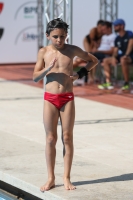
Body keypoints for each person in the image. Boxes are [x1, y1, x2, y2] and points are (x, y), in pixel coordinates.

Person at [33, 18, 98, 191]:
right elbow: (35, 77)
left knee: (67, 137)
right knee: (50, 138)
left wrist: (79, 74)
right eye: (55, 36)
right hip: (50, 98)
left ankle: (67, 177)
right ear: (48, 36)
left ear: (66, 36)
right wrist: (47, 69)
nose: (59, 40)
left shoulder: (72, 50)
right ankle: (51, 178)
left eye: (62, 36)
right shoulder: (44, 52)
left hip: (67, 97)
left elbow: (94, 60)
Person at [98, 19, 133, 90]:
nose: (114, 27)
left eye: (116, 25)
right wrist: (114, 57)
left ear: (122, 26)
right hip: (123, 56)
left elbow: (131, 44)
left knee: (123, 59)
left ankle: (126, 83)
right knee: (106, 60)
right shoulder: (117, 38)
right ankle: (108, 82)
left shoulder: (129, 33)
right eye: (114, 25)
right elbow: (115, 50)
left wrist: (126, 55)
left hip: (130, 55)